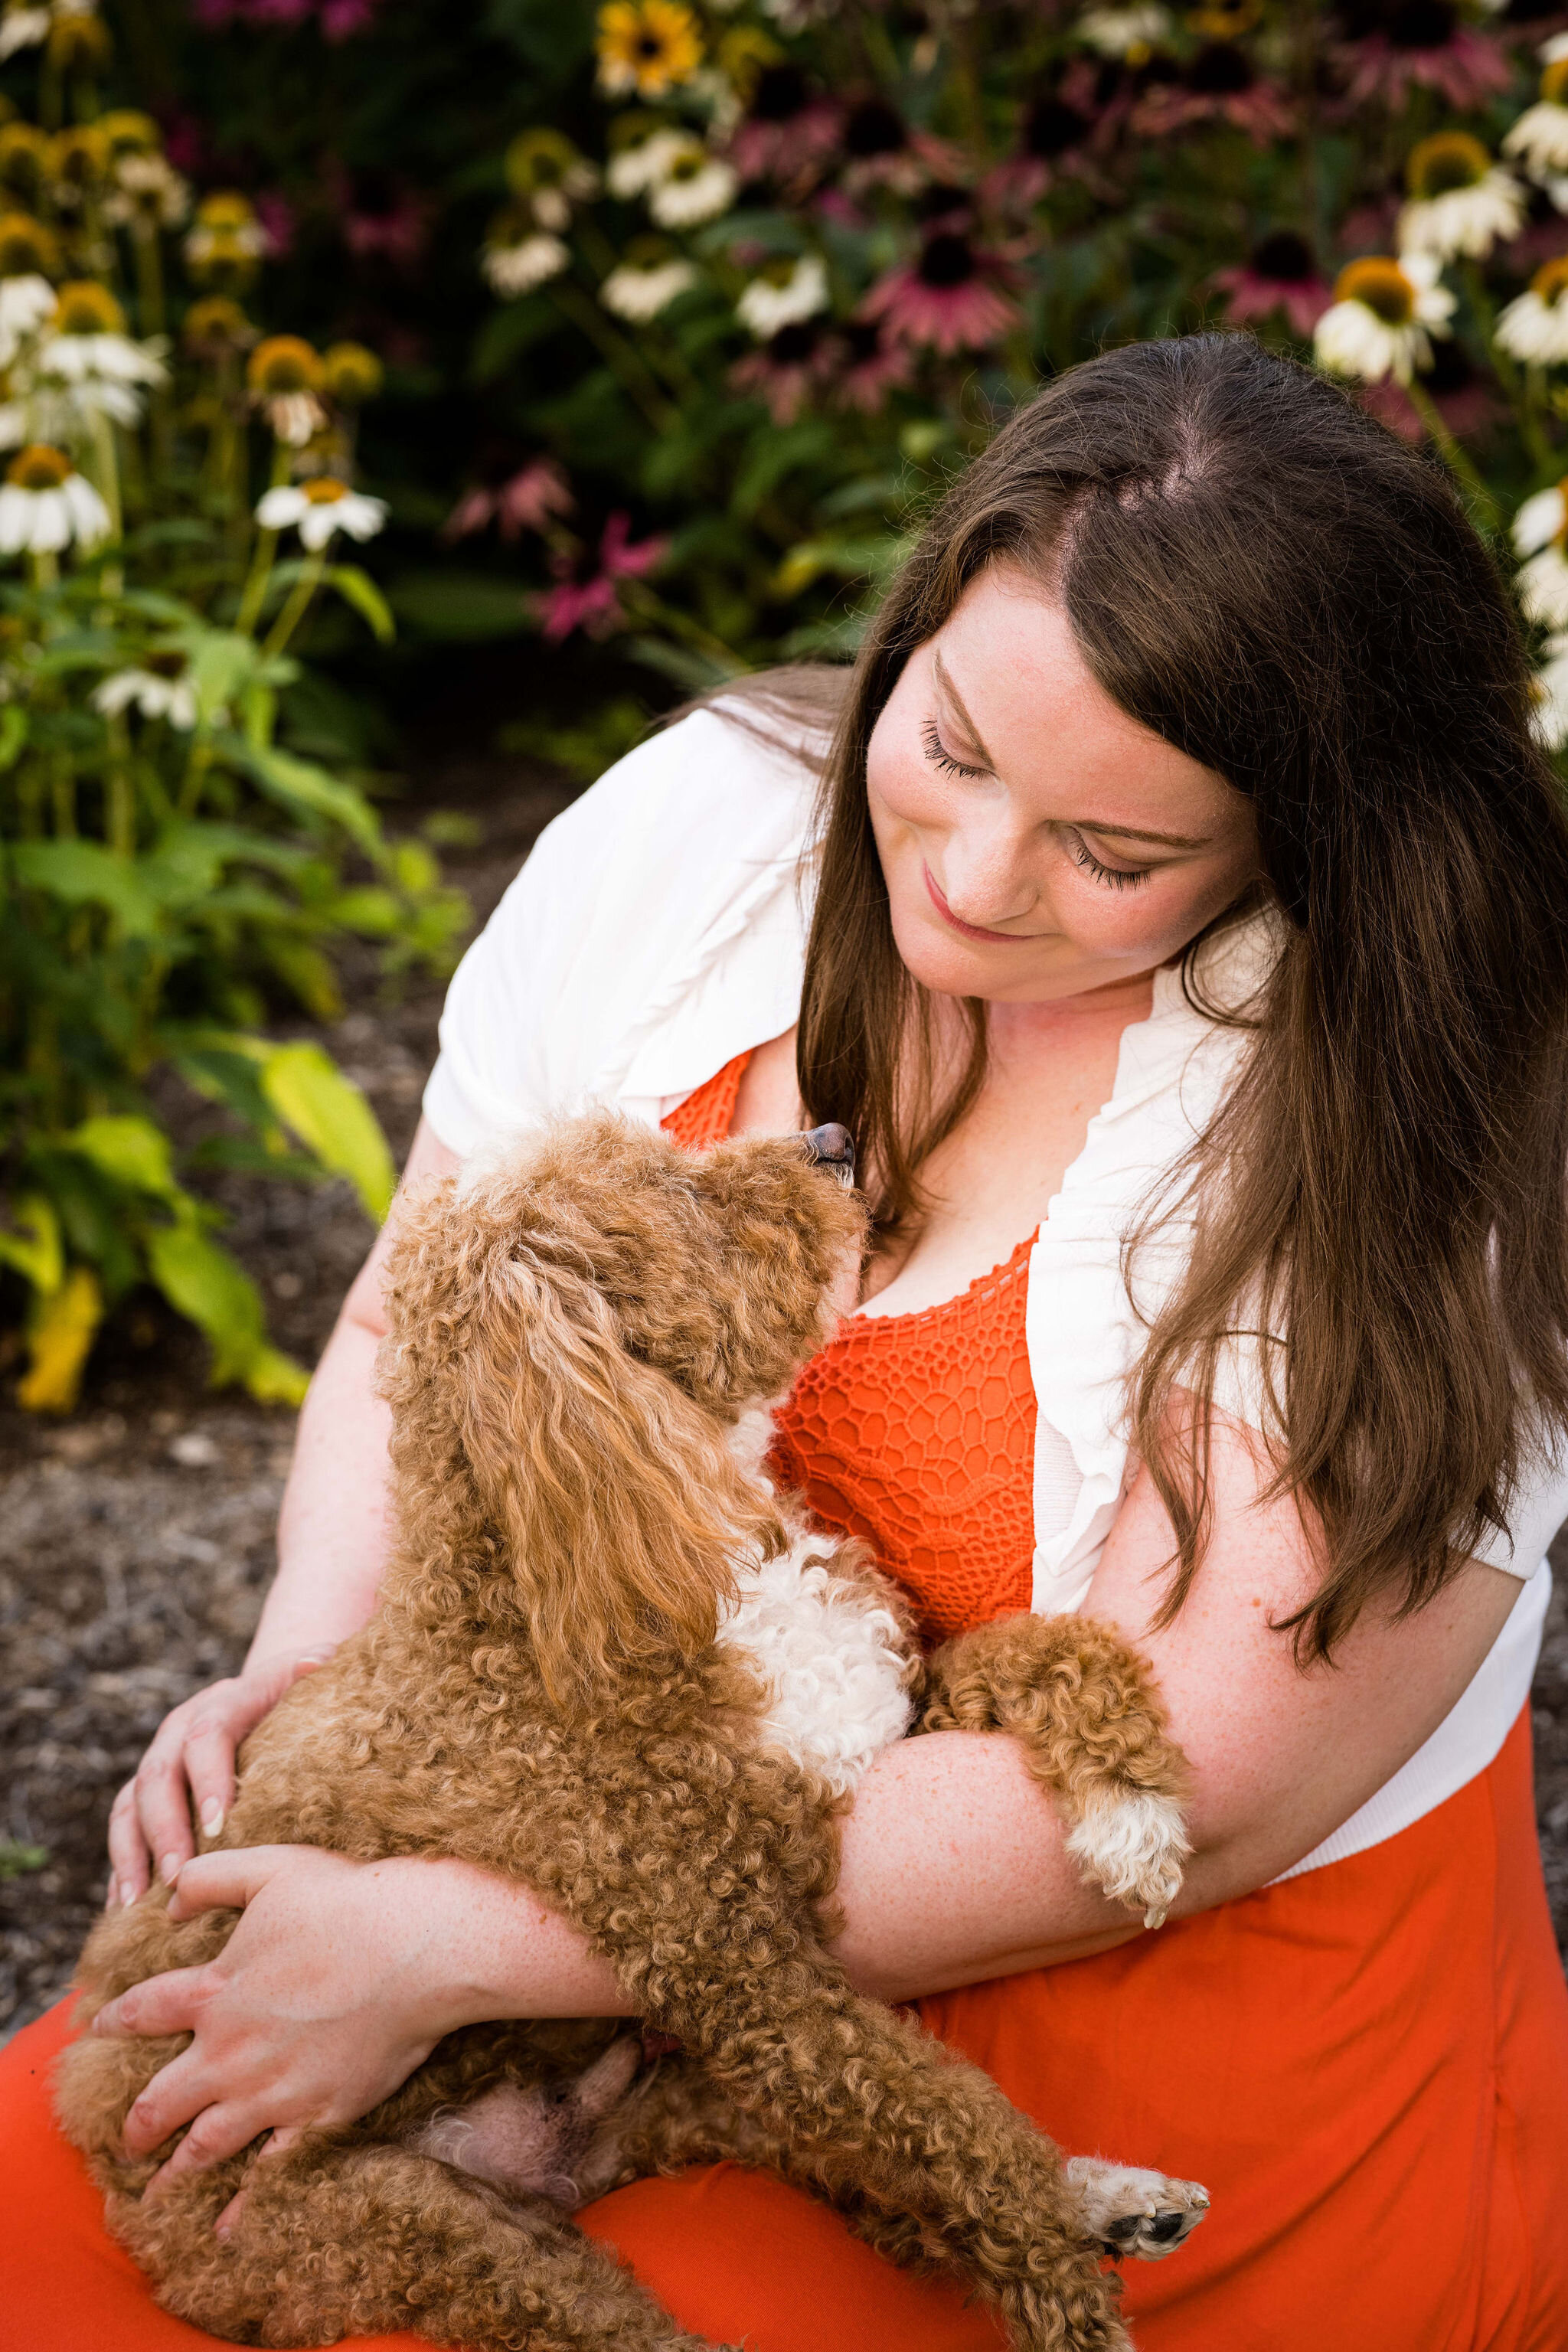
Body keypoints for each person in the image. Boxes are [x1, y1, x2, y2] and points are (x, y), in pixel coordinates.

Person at [3, 332, 1567, 2352]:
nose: (978, 882)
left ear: (1304, 852)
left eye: (1116, 856)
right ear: (916, 628)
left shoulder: (1411, 1136)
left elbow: (1190, 1785)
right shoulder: (709, 836)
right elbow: (422, 1317)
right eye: (958, 750)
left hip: (1092, 1993)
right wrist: (319, 1683)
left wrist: (457, 1945)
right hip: (572, 1855)